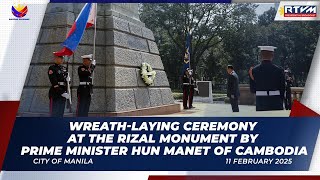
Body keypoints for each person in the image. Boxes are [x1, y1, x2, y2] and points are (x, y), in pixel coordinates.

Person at [249, 46, 285, 111]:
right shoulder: (279, 70)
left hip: (261, 102)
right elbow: (282, 89)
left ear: (260, 56)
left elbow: (252, 89)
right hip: (276, 101)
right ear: (272, 55)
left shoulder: (254, 70)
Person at [48, 52, 70, 117]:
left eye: (62, 58)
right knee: (54, 112)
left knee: (61, 113)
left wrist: (68, 80)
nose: (62, 59)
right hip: (56, 93)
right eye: (60, 58)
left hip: (63, 93)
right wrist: (62, 92)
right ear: (56, 58)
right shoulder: (52, 68)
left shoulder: (64, 69)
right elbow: (54, 82)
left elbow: (67, 83)